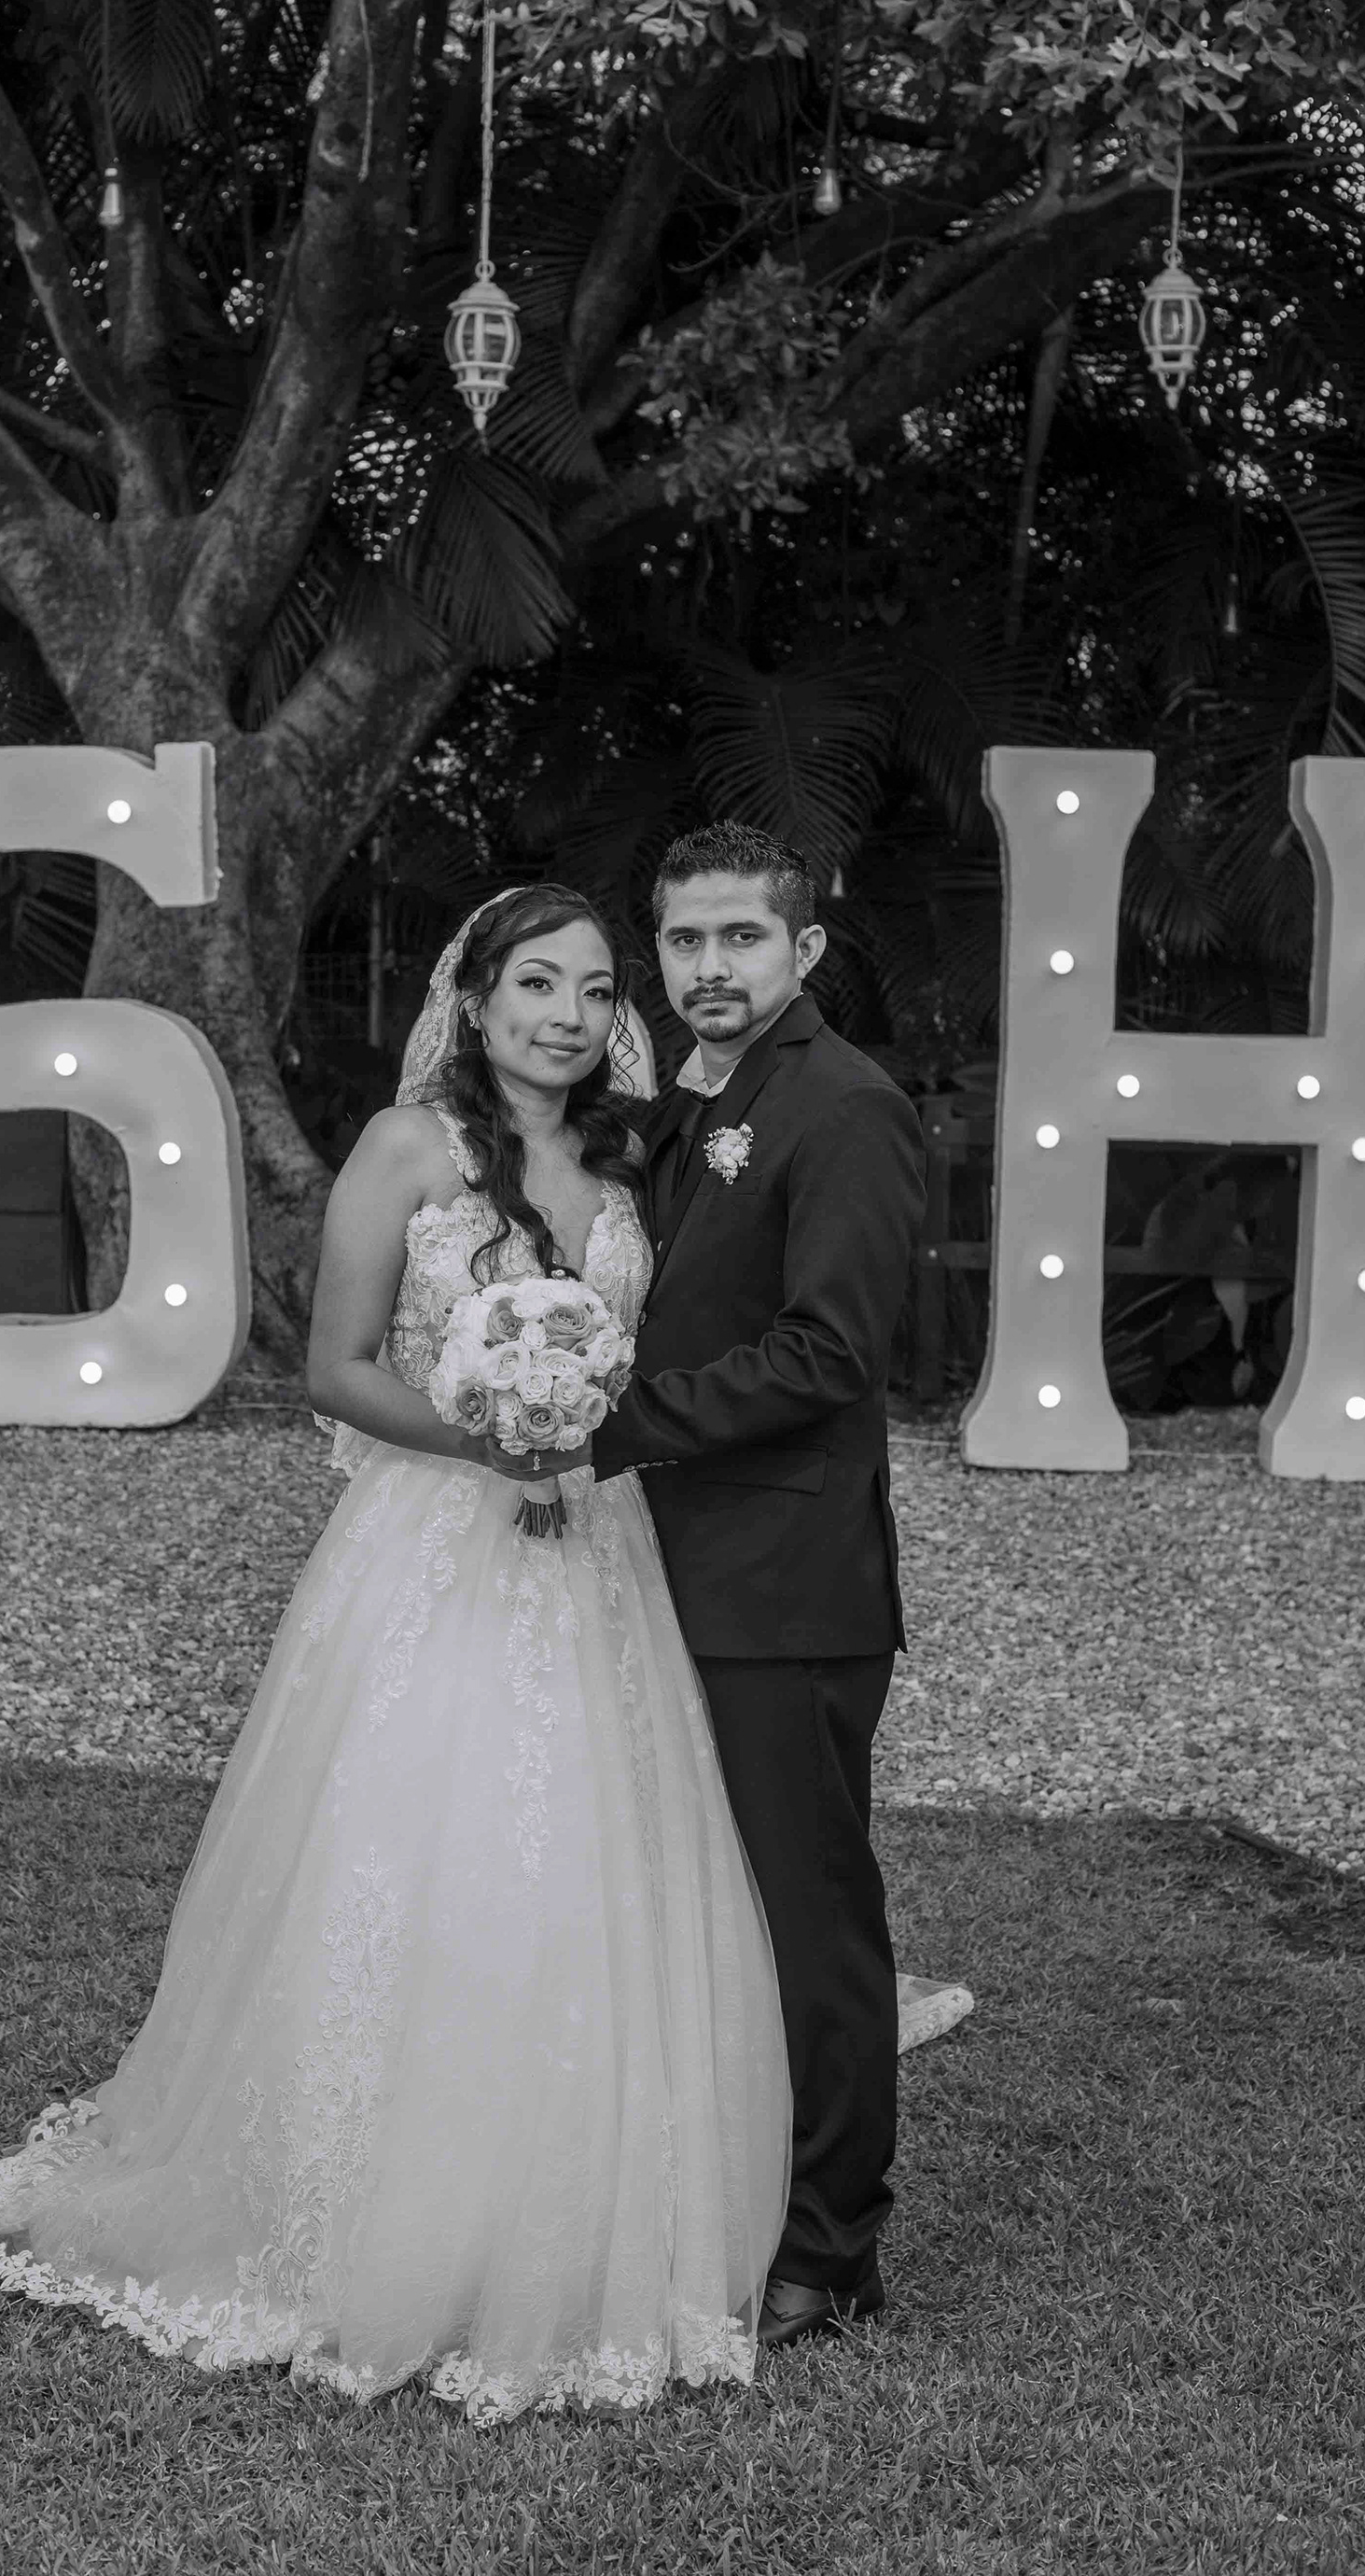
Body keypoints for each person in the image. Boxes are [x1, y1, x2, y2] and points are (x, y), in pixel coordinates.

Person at [0, 885, 792, 2428]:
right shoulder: (405, 1149)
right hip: (436, 1545)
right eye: (539, 984)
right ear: (477, 995)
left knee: (591, 1859)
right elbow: (334, 1367)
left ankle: (566, 2216)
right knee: (416, 1856)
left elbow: (644, 1351)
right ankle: (365, 2217)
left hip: (598, 1552)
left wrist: (577, 1427)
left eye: (597, 991)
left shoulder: (624, 1163)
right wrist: (488, 1437)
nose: (569, 1017)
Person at [591, 822, 927, 2352]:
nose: (710, 967)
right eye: (685, 940)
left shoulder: (843, 1105)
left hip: (783, 1585)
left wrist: (610, 1424)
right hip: (654, 1570)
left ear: (805, 947)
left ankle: (832, 2246)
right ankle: (713, 2195)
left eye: (741, 938)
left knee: (808, 1920)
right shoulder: (681, 1105)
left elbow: (830, 1351)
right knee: (689, 1906)